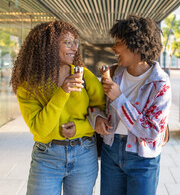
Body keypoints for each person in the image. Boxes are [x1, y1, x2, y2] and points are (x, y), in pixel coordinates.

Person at [10, 20, 105, 195]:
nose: (74, 48)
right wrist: (63, 91)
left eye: (75, 42)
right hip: (46, 157)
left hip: (84, 153)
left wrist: (80, 128)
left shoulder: (84, 76)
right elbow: (41, 128)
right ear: (48, 47)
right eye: (67, 43)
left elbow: (103, 113)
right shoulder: (28, 86)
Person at [92, 15, 171, 195]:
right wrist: (96, 117)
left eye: (118, 42)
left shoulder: (160, 83)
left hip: (143, 158)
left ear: (136, 45)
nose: (113, 48)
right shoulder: (112, 73)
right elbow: (94, 106)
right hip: (110, 152)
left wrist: (119, 98)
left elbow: (151, 132)